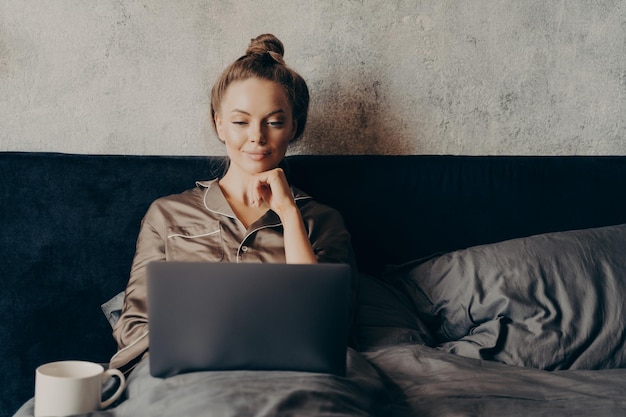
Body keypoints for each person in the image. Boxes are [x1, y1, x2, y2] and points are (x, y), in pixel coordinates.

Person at [109, 34, 357, 373]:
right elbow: (133, 326)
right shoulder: (166, 215)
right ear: (219, 124)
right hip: (189, 377)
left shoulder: (323, 221)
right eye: (241, 122)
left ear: (293, 128)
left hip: (290, 378)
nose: (257, 136)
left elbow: (328, 327)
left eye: (274, 122)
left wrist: (288, 212)